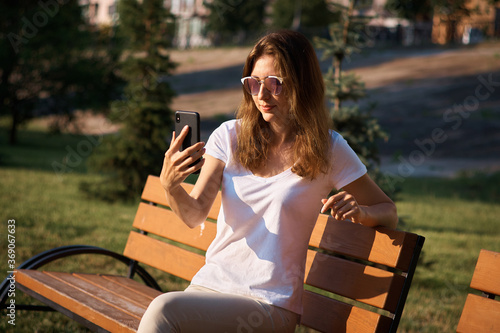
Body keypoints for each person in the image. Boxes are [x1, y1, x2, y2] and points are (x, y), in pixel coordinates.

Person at [137, 30, 398, 333]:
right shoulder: (229, 136)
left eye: (275, 83)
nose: (261, 95)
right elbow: (194, 214)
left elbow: (388, 211)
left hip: (269, 305)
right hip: (210, 286)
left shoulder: (329, 148)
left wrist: (362, 213)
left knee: (164, 310)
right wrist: (170, 186)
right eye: (253, 83)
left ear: (302, 85)